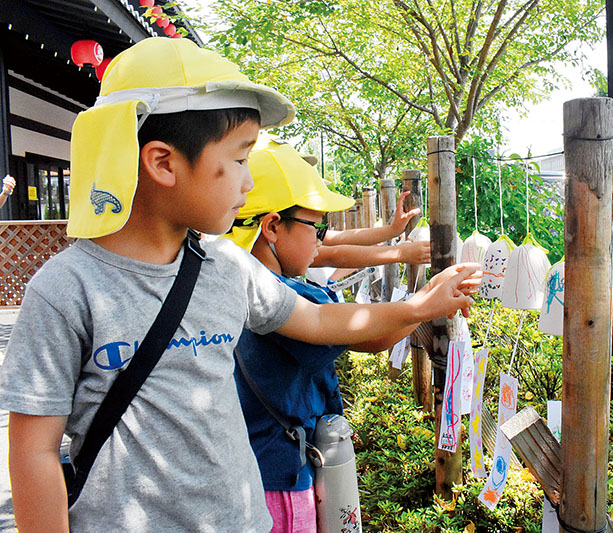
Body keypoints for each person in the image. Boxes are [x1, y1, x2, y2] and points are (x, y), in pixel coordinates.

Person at [0, 37, 478, 533]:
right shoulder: (65, 292)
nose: (248, 185)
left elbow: (317, 318)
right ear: (164, 162)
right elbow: (33, 453)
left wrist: (421, 304)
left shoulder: (226, 264)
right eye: (240, 158)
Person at [224, 139, 446, 532]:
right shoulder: (283, 296)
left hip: (255, 463)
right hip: (282, 481)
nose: (322, 238)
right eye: (317, 226)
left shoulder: (235, 278)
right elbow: (371, 337)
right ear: (272, 225)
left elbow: (329, 250)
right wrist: (427, 301)